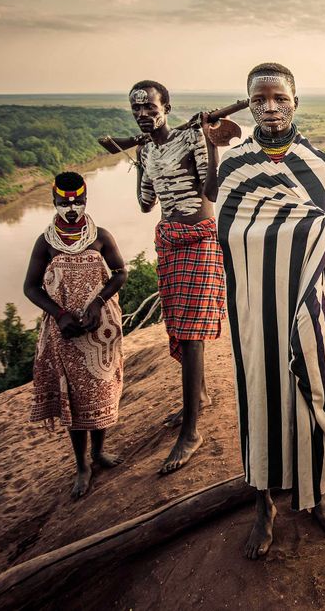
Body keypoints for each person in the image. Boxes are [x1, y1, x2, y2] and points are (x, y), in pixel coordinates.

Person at [204, 63, 325, 560]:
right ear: (248, 103)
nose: (269, 107)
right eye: (259, 99)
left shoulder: (317, 164)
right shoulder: (233, 167)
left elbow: (321, 235)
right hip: (253, 303)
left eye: (279, 98)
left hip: (309, 299)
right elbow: (227, 233)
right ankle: (264, 501)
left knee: (313, 387)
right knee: (261, 394)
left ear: (295, 101)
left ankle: (315, 493)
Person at [129, 80, 227, 474]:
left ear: (165, 106)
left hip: (200, 239)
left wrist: (211, 143)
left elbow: (213, 190)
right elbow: (144, 203)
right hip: (170, 240)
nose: (142, 114)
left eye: (149, 107)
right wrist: (141, 161)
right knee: (180, 328)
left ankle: (190, 433)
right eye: (135, 109)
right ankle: (198, 398)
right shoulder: (148, 149)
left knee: (191, 336)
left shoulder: (191, 140)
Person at [25, 171, 127, 499]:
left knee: (100, 392)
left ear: (86, 200)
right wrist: (59, 314)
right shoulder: (45, 242)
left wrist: (98, 302)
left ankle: (98, 453)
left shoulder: (101, 236)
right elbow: (30, 286)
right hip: (64, 332)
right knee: (74, 399)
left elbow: (121, 272)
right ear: (53, 202)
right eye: (64, 203)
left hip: (101, 332)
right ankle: (82, 464)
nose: (71, 208)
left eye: (78, 202)